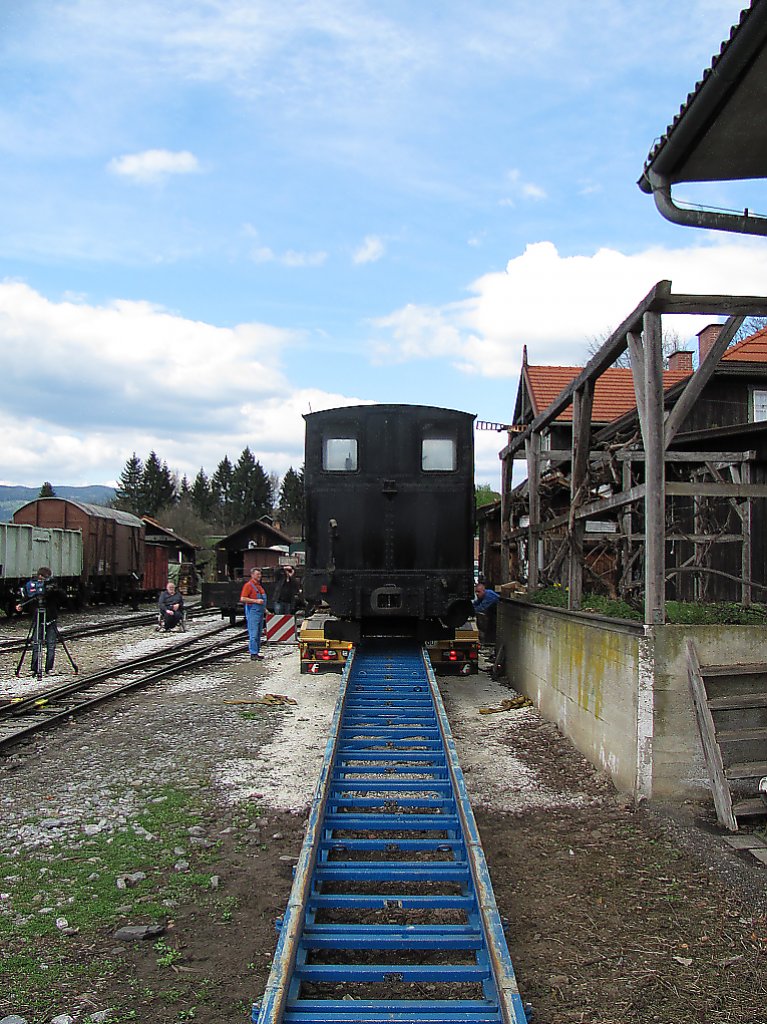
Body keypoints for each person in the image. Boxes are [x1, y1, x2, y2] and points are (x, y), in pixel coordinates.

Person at [16, 566, 62, 675]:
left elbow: (62, 598)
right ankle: (34, 668)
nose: (42, 582)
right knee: (36, 643)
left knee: (51, 644)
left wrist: (55, 591)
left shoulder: (53, 587)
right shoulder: (32, 585)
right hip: (38, 618)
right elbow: (28, 598)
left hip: (51, 618)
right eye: (41, 579)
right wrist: (21, 604)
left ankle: (48, 668)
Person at [240, 566, 267, 660]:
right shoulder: (248, 585)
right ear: (252, 575)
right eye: (257, 574)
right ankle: (253, 653)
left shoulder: (259, 586)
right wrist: (255, 601)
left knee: (258, 633)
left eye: (260, 574)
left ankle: (257, 652)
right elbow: (243, 598)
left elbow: (262, 601)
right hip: (252, 612)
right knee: (253, 633)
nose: (259, 576)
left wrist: (265, 610)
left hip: (259, 612)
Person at [472, 581, 499, 646]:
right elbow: (476, 604)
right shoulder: (482, 596)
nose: (477, 594)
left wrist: (469, 611)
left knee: (493, 628)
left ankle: (491, 643)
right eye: (476, 592)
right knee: (489, 627)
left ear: (483, 591)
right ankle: (488, 643)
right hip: (492, 613)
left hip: (498, 613)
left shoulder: (489, 596)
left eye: (479, 592)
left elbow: (481, 608)